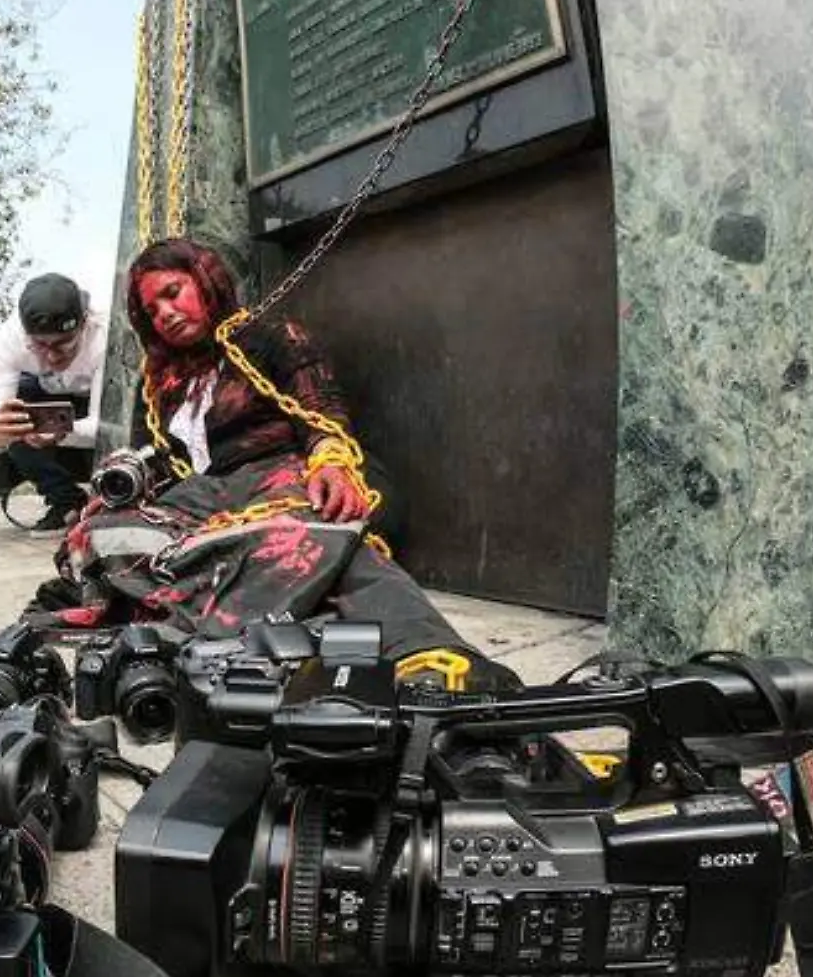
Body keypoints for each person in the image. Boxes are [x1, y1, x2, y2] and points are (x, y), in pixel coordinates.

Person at [57, 238, 512, 683]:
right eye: (152, 311)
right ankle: (270, 612)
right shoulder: (157, 383)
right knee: (99, 536)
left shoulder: (269, 336)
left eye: (173, 293)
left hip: (276, 474)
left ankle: (426, 653)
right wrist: (115, 494)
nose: (166, 315)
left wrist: (331, 461)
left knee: (324, 537)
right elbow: (148, 457)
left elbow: (321, 407)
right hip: (202, 495)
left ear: (204, 279)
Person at [0, 272, 108, 532]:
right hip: (46, 398)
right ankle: (66, 501)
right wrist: (0, 435)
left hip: (95, 404)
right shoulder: (8, 341)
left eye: (63, 344)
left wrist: (61, 434)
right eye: (39, 345)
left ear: (84, 324)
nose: (51, 356)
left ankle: (114, 496)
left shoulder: (104, 336)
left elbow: (108, 427)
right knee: (11, 410)